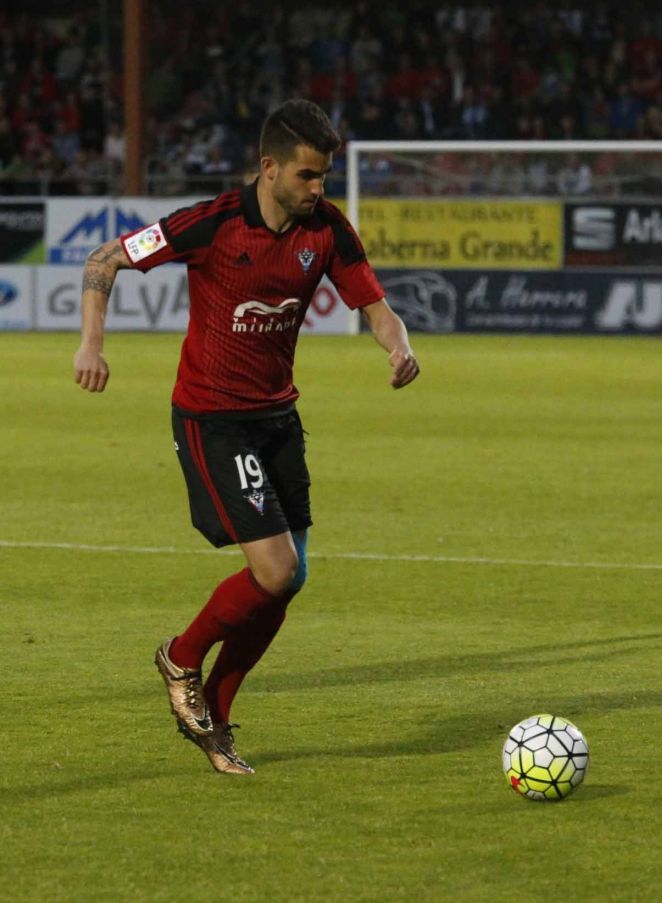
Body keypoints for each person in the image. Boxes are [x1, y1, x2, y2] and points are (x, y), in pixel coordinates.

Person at [73, 99, 420, 773]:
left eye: (324, 176)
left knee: (290, 578)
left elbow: (377, 307)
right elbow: (105, 257)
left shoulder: (327, 229)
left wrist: (398, 347)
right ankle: (180, 656)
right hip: (214, 419)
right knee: (276, 569)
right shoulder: (213, 223)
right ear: (269, 168)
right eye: (308, 174)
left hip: (278, 420)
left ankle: (216, 718)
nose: (318, 188)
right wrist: (92, 345)